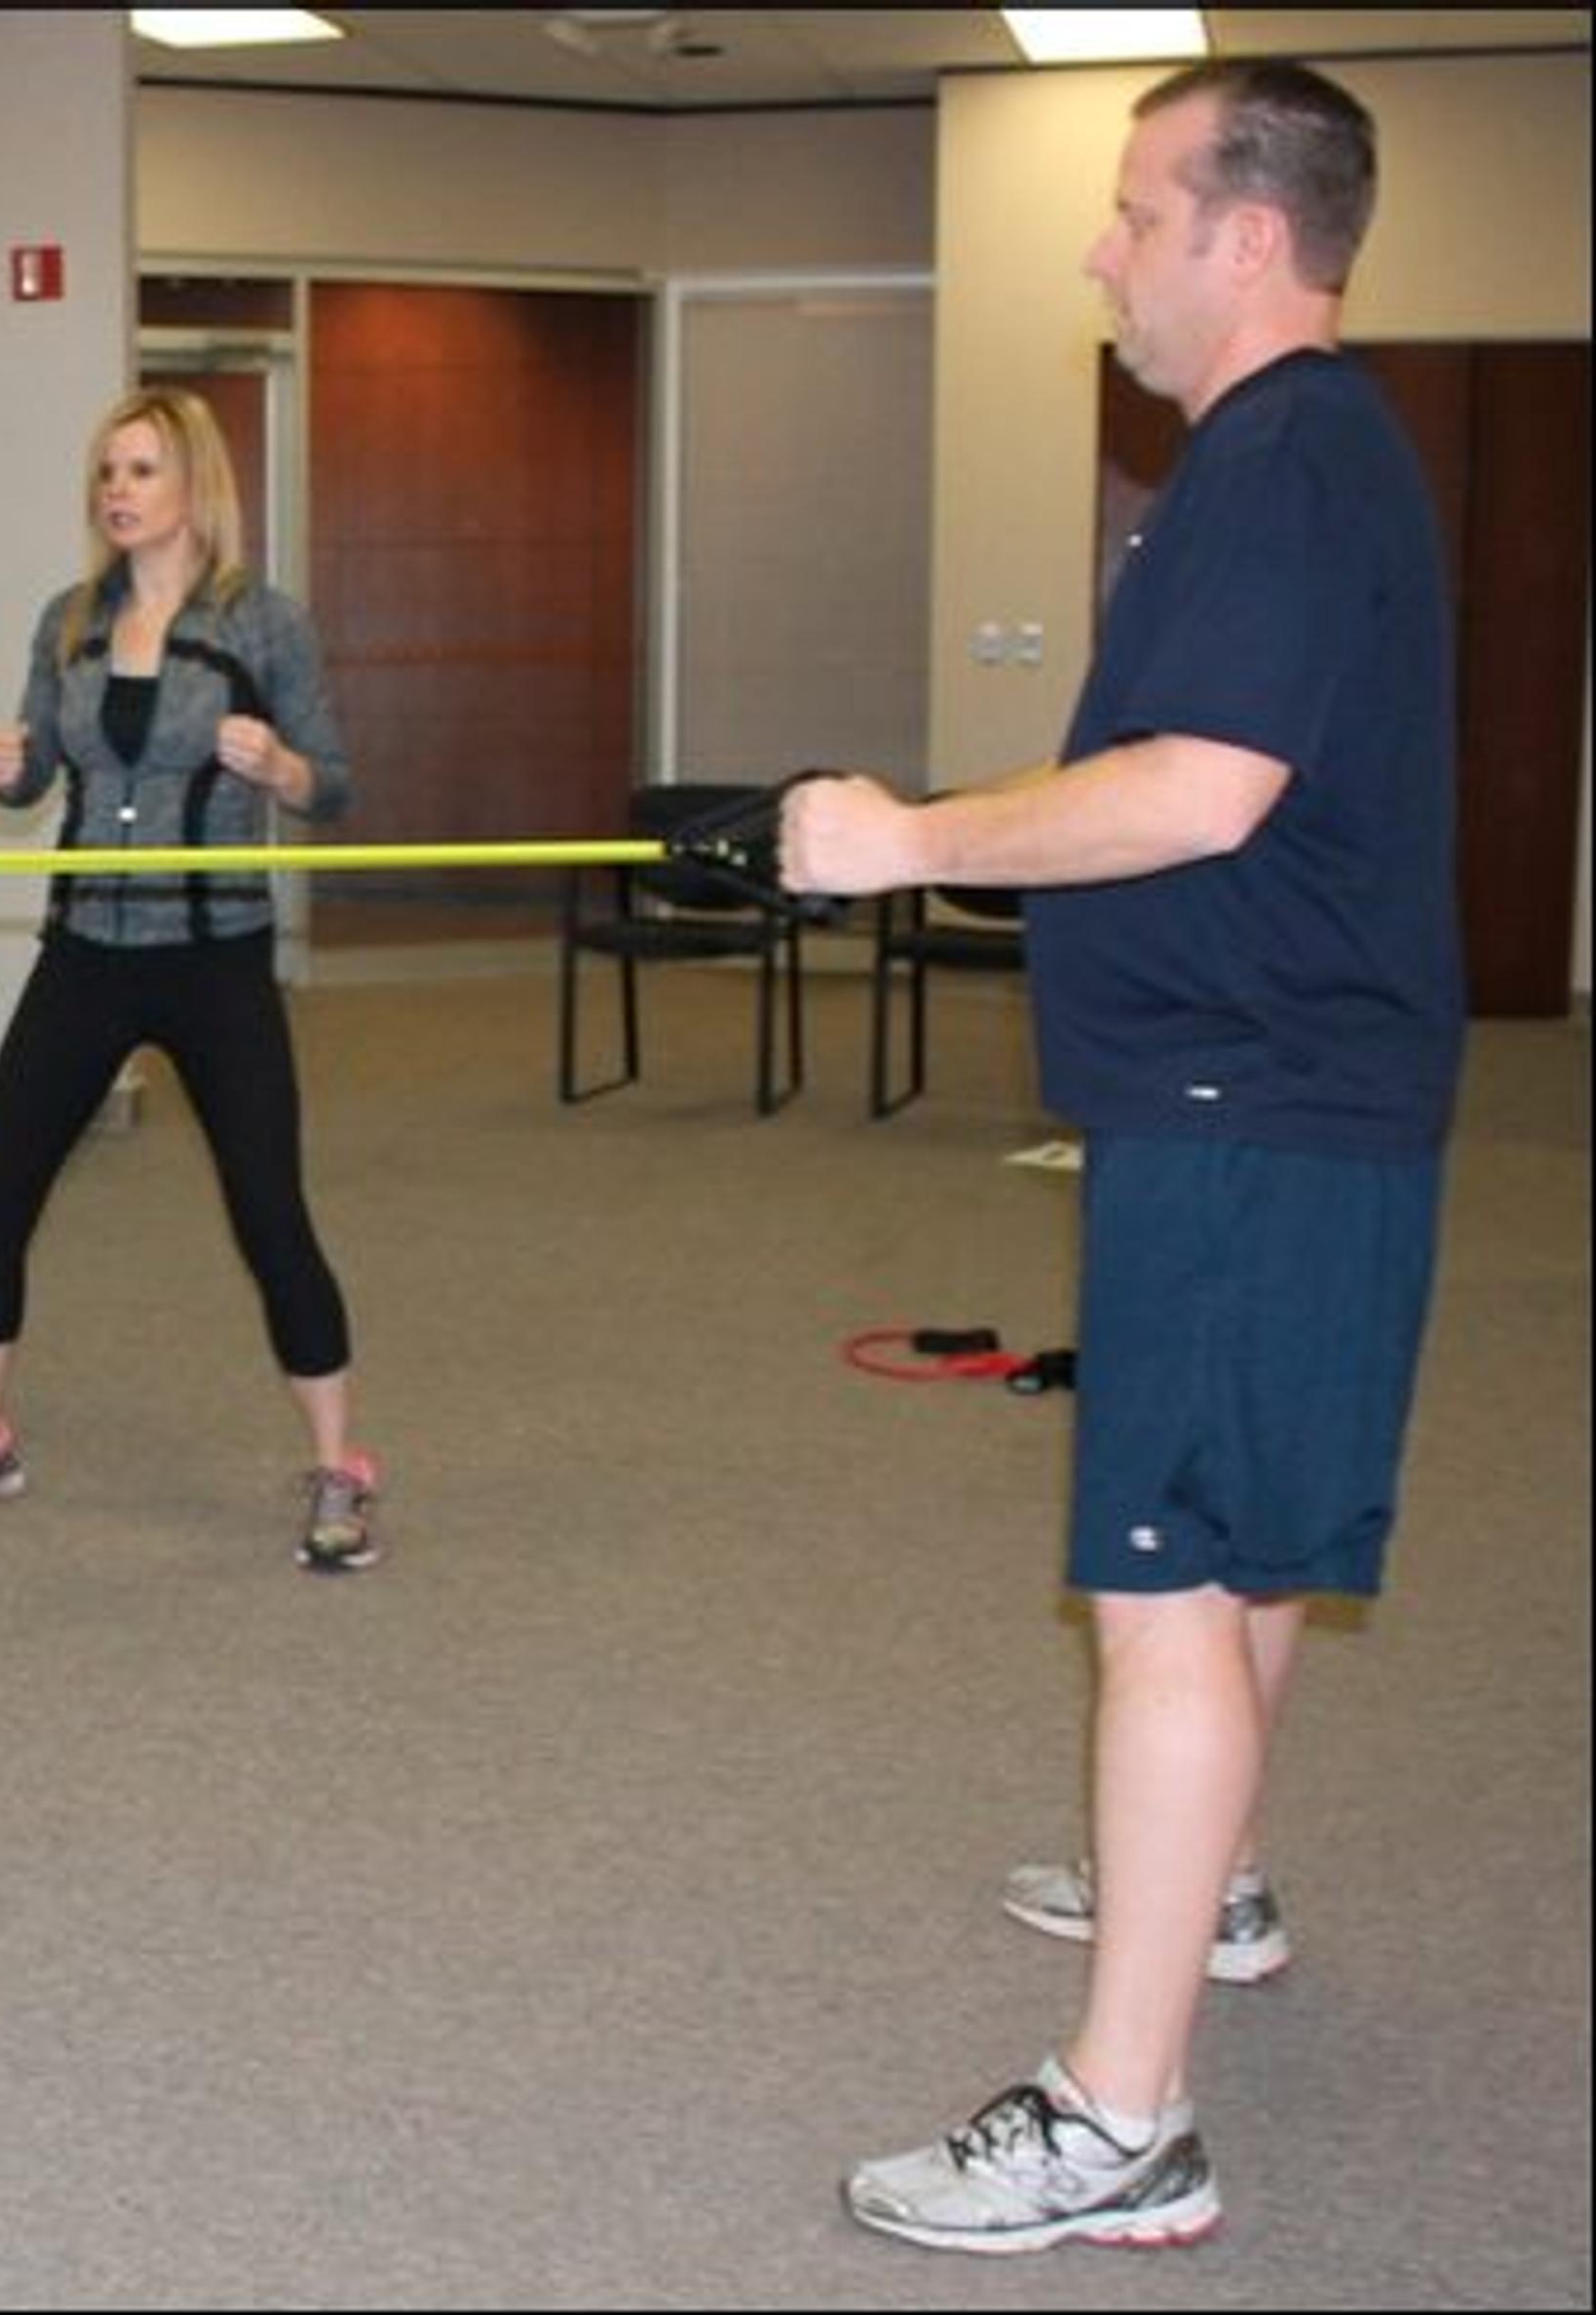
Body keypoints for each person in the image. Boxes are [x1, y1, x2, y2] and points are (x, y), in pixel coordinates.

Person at [785, 61, 1461, 2253]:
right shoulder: (1313, 456)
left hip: (1245, 1109)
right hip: (1296, 1101)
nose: (1098, 251)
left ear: (1241, 234)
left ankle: (1121, 2113)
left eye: (1125, 210)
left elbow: (1194, 790)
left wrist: (899, 840)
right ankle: (1214, 1882)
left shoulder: (1279, 453)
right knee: (1246, 1543)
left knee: (1161, 1575)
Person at [0, 386, 382, 1573]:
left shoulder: (266, 624)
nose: (117, 490)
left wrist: (282, 764)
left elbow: (338, 785)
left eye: (142, 470)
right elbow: (33, 777)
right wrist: (8, 770)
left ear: (193, 486)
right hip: (86, 952)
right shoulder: (68, 620)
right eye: (107, 471)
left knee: (270, 1212)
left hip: (214, 957)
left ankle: (341, 1469)